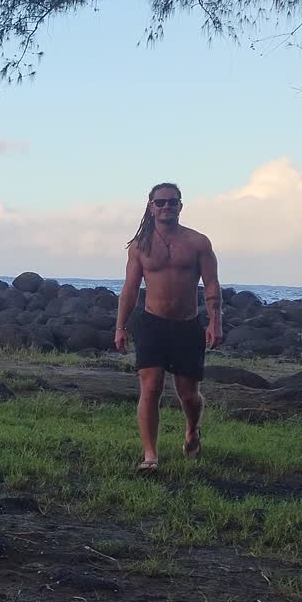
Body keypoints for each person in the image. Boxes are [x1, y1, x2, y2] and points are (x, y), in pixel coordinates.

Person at [114, 182, 223, 472]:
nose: (166, 207)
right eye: (160, 202)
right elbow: (129, 288)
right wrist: (120, 326)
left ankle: (192, 429)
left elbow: (211, 284)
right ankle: (150, 455)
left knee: (189, 394)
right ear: (151, 206)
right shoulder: (140, 246)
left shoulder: (198, 242)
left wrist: (215, 321)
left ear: (180, 206)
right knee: (150, 387)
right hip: (151, 323)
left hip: (187, 325)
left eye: (172, 202)